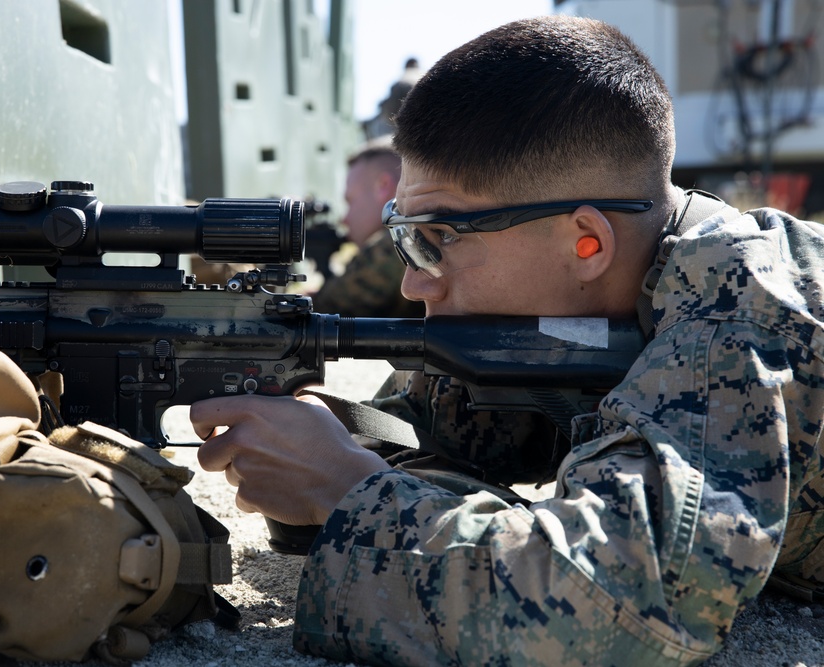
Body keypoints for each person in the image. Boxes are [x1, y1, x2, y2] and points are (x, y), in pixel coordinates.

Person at [190, 15, 824, 667]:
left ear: (588, 243)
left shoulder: (737, 301)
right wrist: (328, 434)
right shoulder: (559, 312)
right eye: (401, 234)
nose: (411, 283)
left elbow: (621, 611)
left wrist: (351, 490)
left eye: (433, 240)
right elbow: (432, 431)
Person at [311, 140, 426, 318]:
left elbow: (322, 310)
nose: (344, 219)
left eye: (350, 201)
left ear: (383, 186)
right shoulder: (422, 230)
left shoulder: (396, 242)